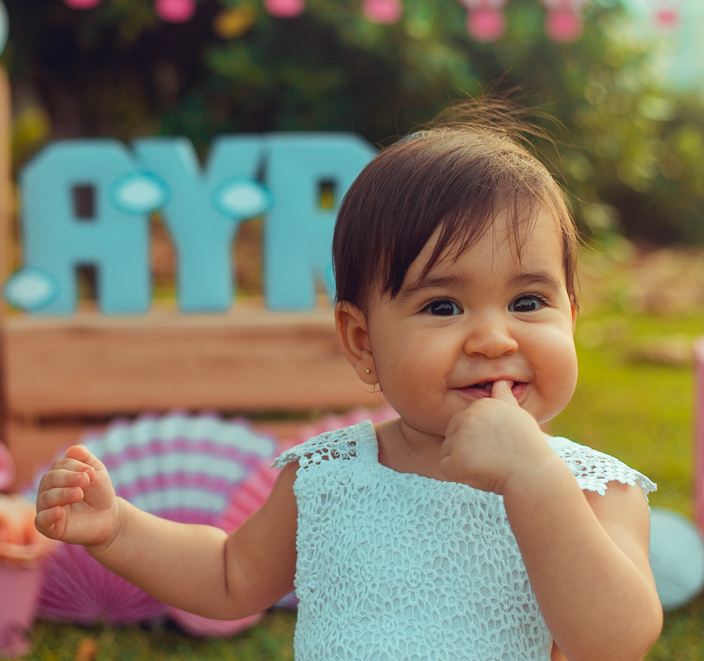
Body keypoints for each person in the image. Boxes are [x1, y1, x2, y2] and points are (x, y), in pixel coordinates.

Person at [34, 104, 664, 661]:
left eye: (528, 302)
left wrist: (533, 476)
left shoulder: (592, 490)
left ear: (572, 318)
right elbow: (230, 575)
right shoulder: (329, 475)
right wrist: (118, 528)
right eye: (443, 306)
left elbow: (614, 642)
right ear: (363, 342)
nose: (494, 339)